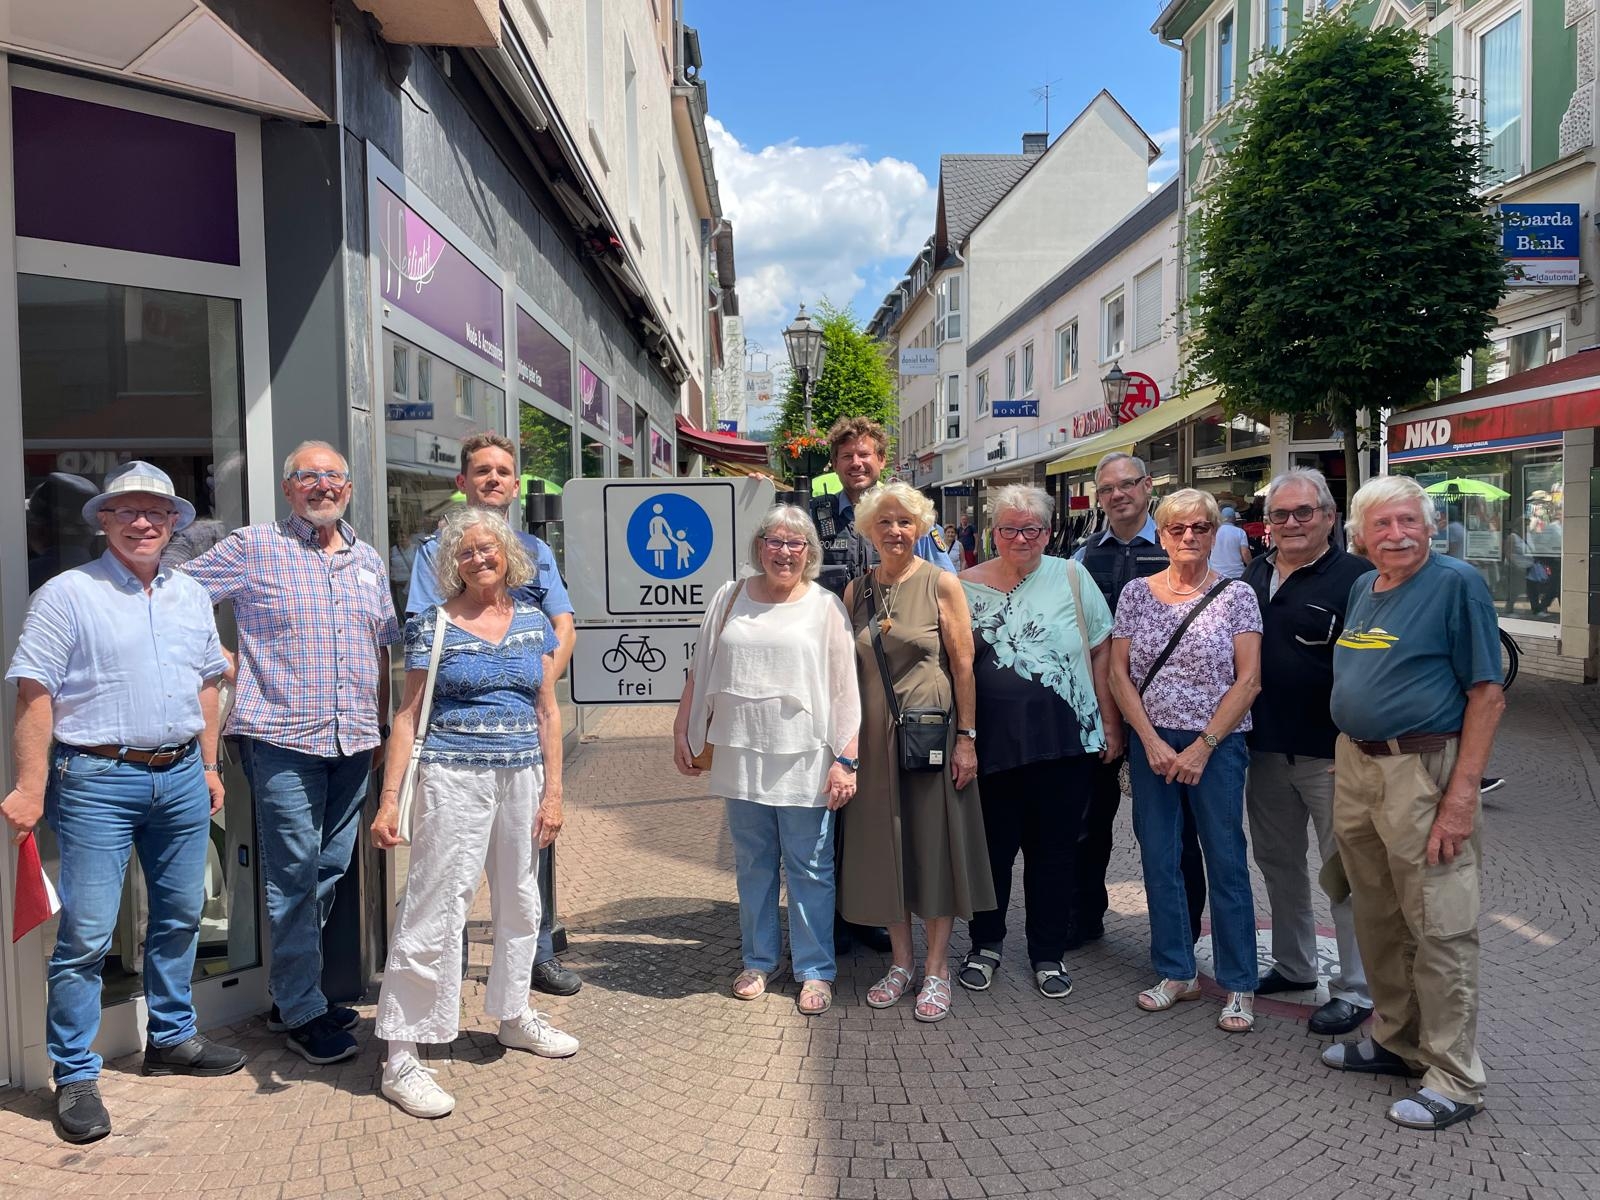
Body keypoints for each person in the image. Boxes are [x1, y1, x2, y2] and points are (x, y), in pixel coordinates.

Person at [3, 461, 246, 1144]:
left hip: (179, 779)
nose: (144, 523)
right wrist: (31, 785)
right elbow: (34, 693)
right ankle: (75, 1074)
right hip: (95, 780)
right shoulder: (67, 595)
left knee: (177, 917)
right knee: (85, 934)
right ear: (104, 521)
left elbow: (206, 682)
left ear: (175, 523)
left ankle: (170, 1039)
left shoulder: (190, 596)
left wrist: (206, 764)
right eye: (128, 512)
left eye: (158, 513)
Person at [181, 441, 400, 1066]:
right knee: (295, 875)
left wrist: (380, 725)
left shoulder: (365, 559)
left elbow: (381, 647)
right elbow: (178, 593)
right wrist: (221, 662)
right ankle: (303, 1008)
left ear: (349, 488)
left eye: (333, 477)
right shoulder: (255, 547)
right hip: (281, 739)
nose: (322, 486)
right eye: (308, 477)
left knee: (326, 871)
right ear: (288, 489)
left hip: (353, 739)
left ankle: (288, 994)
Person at [370, 507, 578, 1119]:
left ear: (507, 555)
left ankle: (512, 1013)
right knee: (435, 904)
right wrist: (389, 799)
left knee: (520, 900)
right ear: (451, 563)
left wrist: (556, 792)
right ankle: (402, 1052)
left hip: (523, 776)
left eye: (488, 549)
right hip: (452, 777)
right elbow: (407, 717)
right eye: (466, 552)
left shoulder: (535, 620)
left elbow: (547, 711)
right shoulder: (432, 625)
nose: (479, 559)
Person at [1322, 476, 1504, 1132]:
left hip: (1423, 770)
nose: (1397, 535)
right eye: (1383, 525)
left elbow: (1487, 694)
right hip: (1359, 764)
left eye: (1409, 521)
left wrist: (1461, 798)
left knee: (1439, 922)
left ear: (1430, 527)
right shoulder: (1363, 586)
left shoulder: (1455, 584)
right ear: (1361, 537)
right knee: (1377, 912)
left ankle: (1456, 1076)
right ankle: (1397, 1042)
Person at [406, 431, 580, 997]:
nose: (494, 479)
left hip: (524, 725)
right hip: (457, 736)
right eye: (482, 471)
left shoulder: (536, 551)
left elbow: (563, 629)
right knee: (450, 866)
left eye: (504, 471)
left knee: (529, 856)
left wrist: (535, 692)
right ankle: (445, 970)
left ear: (515, 482)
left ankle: (538, 958)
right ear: (463, 482)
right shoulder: (435, 552)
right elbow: (424, 635)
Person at [673, 506, 861, 1015]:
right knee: (753, 864)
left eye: (795, 543)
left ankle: (815, 970)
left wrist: (846, 759)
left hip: (804, 755)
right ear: (760, 546)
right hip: (740, 750)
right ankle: (758, 960)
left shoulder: (824, 607)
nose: (784, 551)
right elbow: (701, 666)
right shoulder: (728, 597)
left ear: (809, 553)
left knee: (810, 867)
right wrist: (683, 726)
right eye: (775, 541)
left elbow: (846, 688)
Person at [838, 482, 994, 1023]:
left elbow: (965, 665)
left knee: (932, 845)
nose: (895, 531)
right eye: (885, 522)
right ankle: (900, 965)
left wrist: (968, 739)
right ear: (869, 529)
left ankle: (936, 969)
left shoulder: (941, 583)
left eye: (905, 521)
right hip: (874, 738)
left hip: (930, 734)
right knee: (889, 847)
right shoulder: (856, 591)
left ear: (921, 527)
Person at [956, 485, 1119, 1001]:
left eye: (1032, 529)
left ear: (1048, 533)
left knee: (1054, 856)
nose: (1020, 538)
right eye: (1009, 528)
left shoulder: (1072, 575)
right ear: (993, 533)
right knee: (993, 854)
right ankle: (985, 945)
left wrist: (1109, 726)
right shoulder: (961, 587)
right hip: (993, 747)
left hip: (1065, 744)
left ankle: (1047, 954)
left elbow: (1101, 653)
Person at [1108, 488, 1262, 1034]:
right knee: (1159, 856)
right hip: (1155, 743)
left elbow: (1249, 680)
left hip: (1216, 747)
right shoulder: (1135, 594)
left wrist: (1204, 746)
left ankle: (1240, 982)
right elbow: (1119, 674)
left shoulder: (1237, 596)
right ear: (1163, 534)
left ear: (1216, 533)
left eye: (1200, 528)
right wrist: (1148, 740)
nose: (1189, 537)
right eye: (1177, 529)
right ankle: (1177, 970)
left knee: (1224, 859)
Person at [1241, 469, 1374, 1036]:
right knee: (1277, 862)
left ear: (1329, 516)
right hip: (1265, 750)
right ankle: (1294, 965)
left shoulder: (1357, 578)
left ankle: (1358, 988)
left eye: (1302, 513)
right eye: (1279, 515)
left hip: (1331, 753)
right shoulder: (1253, 573)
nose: (1290, 524)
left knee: (1345, 873)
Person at [815, 416, 953, 956]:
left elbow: (944, 589)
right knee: (844, 805)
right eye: (848, 456)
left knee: (891, 813)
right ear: (835, 464)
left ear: (880, 459)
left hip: (906, 692)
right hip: (838, 673)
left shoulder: (911, 516)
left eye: (866, 455)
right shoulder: (817, 516)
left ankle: (878, 915)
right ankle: (844, 911)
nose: (857, 464)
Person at [1073, 453, 1207, 950]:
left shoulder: (1179, 545)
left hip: (1168, 715)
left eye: (1127, 485)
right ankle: (1084, 918)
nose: (1117, 495)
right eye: (1107, 489)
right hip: (1102, 712)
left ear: (1148, 486)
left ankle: (1182, 934)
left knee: (1174, 833)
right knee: (1089, 824)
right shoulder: (1083, 557)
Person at [1209, 505, 1251, 579]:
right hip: (1236, 574)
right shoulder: (1240, 532)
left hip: (1215, 573)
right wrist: (1252, 567)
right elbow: (1245, 553)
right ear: (1234, 518)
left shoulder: (1213, 532)